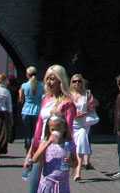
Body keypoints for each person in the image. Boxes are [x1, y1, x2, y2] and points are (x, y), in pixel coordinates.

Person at [26, 65, 77, 193]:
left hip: (55, 148)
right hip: (42, 145)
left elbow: (68, 129)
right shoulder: (46, 99)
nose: (49, 82)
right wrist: (30, 152)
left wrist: (68, 152)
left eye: (52, 79)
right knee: (34, 186)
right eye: (47, 79)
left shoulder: (67, 103)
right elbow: (39, 126)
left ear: (60, 81)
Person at [32, 113, 78, 193]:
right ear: (48, 129)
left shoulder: (69, 144)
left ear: (64, 128)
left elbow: (75, 163)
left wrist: (70, 161)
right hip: (47, 182)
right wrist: (47, 143)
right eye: (52, 129)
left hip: (62, 184)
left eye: (58, 129)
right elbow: (35, 159)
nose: (55, 132)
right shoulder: (44, 143)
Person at [69, 74, 97, 181]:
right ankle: (71, 168)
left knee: (80, 146)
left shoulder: (87, 93)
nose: (77, 83)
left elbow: (92, 109)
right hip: (72, 124)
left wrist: (84, 113)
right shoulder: (69, 95)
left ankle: (78, 172)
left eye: (79, 81)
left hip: (83, 125)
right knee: (71, 147)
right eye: (74, 81)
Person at [19, 67, 43, 152]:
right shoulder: (41, 85)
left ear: (27, 75)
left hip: (26, 110)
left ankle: (27, 152)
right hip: (37, 110)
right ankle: (35, 151)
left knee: (27, 133)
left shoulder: (24, 86)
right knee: (36, 133)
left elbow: (21, 99)